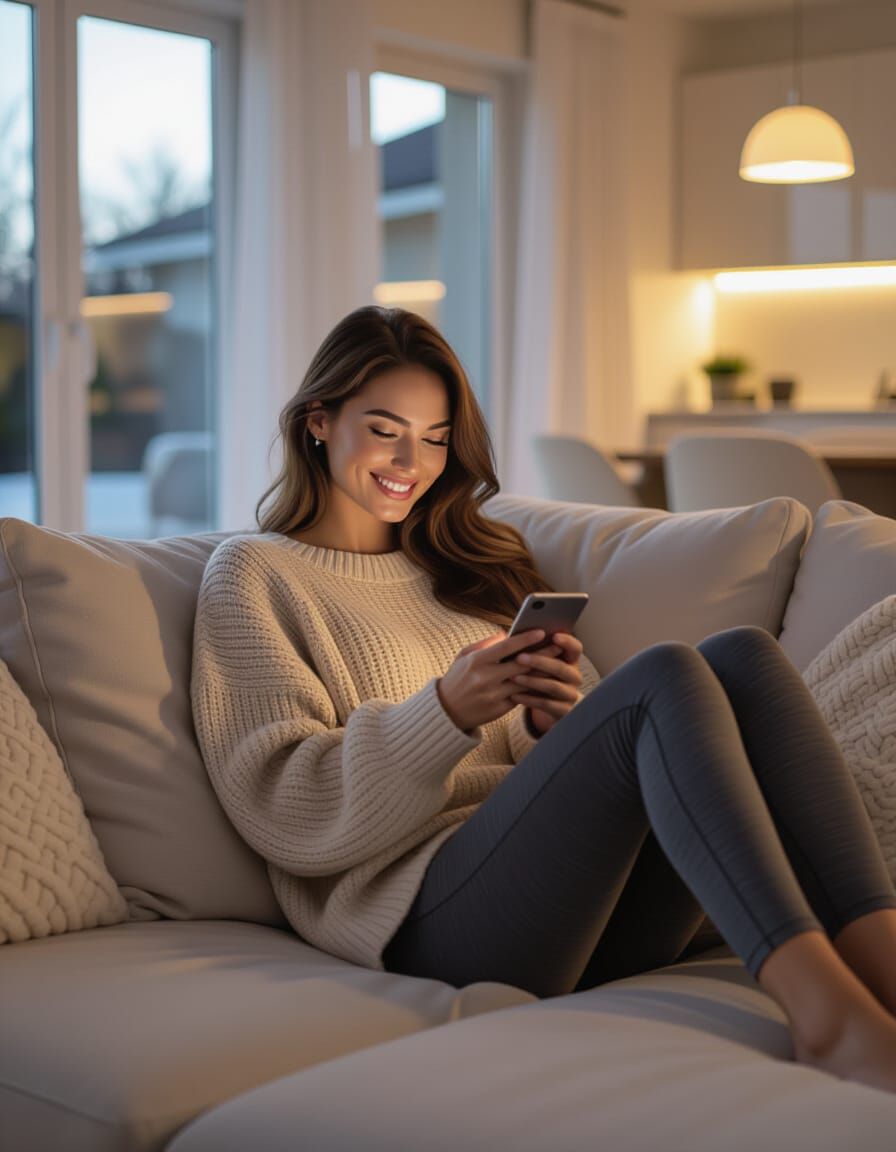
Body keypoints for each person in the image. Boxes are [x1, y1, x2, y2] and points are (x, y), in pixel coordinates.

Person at [191, 305, 896, 1094]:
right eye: (385, 429)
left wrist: (551, 720)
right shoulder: (254, 574)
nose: (410, 462)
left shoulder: (470, 564)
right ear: (319, 421)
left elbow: (580, 740)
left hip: (577, 904)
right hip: (429, 916)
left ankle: (885, 969)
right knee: (665, 673)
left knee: (744, 656)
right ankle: (829, 1017)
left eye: (432, 438)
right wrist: (447, 712)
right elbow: (283, 809)